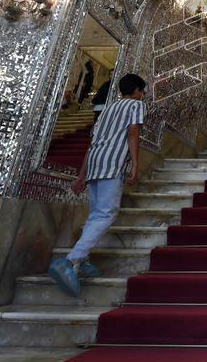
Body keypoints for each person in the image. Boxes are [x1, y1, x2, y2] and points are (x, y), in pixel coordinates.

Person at [48, 73, 146, 297]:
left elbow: (92, 143)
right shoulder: (135, 105)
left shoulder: (107, 110)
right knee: (106, 214)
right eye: (142, 91)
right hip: (112, 163)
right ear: (137, 90)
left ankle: (82, 261)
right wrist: (135, 164)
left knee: (94, 215)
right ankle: (70, 260)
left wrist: (82, 175)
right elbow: (133, 133)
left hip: (94, 162)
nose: (142, 95)